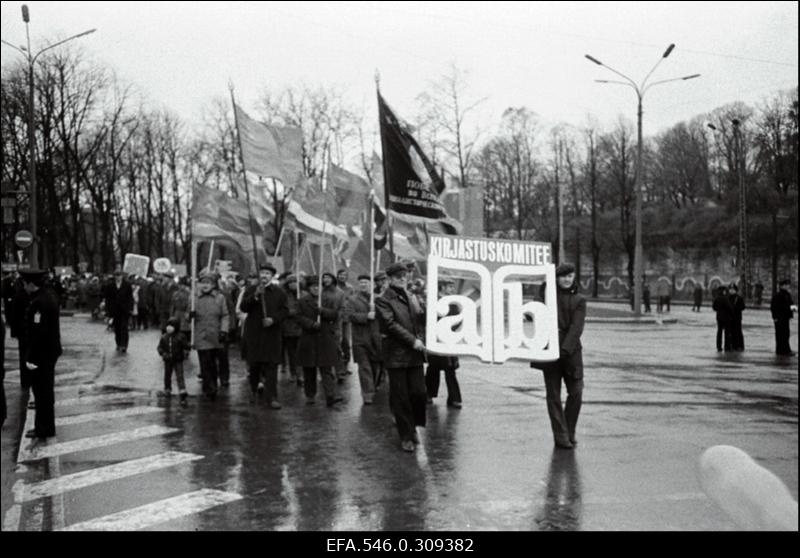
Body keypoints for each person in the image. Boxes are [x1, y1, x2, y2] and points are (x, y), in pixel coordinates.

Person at [530, 263, 586, 450]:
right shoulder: (547, 296)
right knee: (553, 395)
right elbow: (534, 312)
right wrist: (543, 288)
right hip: (549, 351)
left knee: (576, 392)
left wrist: (564, 350)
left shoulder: (579, 300)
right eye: (563, 276)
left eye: (570, 276)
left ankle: (569, 430)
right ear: (556, 278)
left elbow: (576, 328)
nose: (567, 279)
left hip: (571, 353)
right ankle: (561, 436)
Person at [376, 262, 427, 452]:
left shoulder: (412, 296)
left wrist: (428, 309)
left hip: (414, 354)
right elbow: (390, 325)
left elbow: (420, 319)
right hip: (396, 354)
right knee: (401, 396)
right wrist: (412, 341)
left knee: (419, 393)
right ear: (390, 279)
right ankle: (406, 435)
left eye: (404, 275)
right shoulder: (383, 300)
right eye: (398, 276)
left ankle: (413, 425)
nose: (402, 278)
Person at [20, 269, 62, 439]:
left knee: (41, 392)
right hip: (49, 352)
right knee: (46, 392)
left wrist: (31, 357)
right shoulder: (49, 296)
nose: (23, 286)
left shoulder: (39, 302)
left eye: (24, 283)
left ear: (31, 283)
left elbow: (38, 332)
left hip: (42, 354)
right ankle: (47, 427)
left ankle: (42, 428)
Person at [240, 264, 288, 408]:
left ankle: (272, 397)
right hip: (254, 334)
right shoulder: (251, 290)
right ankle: (254, 390)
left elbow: (285, 311)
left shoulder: (279, 292)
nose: (264, 275)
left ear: (272, 276)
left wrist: (273, 319)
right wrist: (255, 296)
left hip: (272, 334)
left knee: (271, 366)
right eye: (262, 273)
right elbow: (243, 307)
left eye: (267, 273)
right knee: (254, 365)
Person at [296, 275, 345, 407]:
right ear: (309, 288)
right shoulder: (302, 301)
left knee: (326, 368)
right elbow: (299, 317)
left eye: (319, 286)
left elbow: (335, 315)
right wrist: (311, 324)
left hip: (325, 337)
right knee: (309, 369)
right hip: (309, 338)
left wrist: (323, 311)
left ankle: (330, 395)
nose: (316, 289)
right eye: (313, 287)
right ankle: (310, 395)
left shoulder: (327, 300)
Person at [191, 272, 230, 400]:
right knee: (204, 361)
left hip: (215, 333)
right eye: (203, 283)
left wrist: (224, 330)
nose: (205, 285)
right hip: (201, 333)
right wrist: (189, 316)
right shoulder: (194, 298)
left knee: (213, 361)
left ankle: (213, 382)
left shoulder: (220, 298)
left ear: (213, 285)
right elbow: (187, 317)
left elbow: (225, 315)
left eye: (208, 283)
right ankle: (209, 387)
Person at [345, 274, 382, 405]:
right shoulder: (352, 300)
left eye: (365, 282)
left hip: (376, 339)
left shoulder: (378, 299)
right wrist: (366, 315)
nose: (363, 285)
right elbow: (350, 315)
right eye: (361, 282)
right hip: (360, 339)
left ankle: (373, 386)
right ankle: (367, 393)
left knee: (375, 366)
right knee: (364, 367)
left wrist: (376, 311)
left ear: (371, 284)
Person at [425, 278, 463, 409]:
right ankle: (428, 394)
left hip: (448, 340)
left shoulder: (452, 303)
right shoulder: (433, 301)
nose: (452, 289)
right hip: (435, 339)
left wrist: (451, 330)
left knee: (450, 369)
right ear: (442, 287)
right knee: (433, 368)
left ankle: (454, 398)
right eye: (450, 287)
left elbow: (458, 319)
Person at [157, 317, 189, 404]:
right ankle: (167, 388)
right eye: (168, 325)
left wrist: (186, 351)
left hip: (178, 359)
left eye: (171, 325)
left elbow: (186, 346)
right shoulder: (164, 337)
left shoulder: (181, 337)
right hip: (168, 359)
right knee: (167, 375)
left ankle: (182, 390)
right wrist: (162, 353)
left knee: (179, 375)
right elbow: (160, 347)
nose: (169, 327)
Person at [281, 274, 303, 386]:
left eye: (295, 282)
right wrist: (294, 312)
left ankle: (300, 373)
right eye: (291, 282)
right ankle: (293, 373)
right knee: (291, 353)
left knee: (301, 352)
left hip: (301, 327)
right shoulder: (284, 295)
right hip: (288, 328)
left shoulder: (302, 294)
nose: (293, 284)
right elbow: (284, 310)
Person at [105, 270, 134, 353]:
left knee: (124, 327)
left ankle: (124, 345)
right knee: (117, 328)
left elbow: (130, 297)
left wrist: (130, 308)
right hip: (114, 310)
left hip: (124, 310)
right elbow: (108, 299)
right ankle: (118, 343)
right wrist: (108, 310)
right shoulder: (110, 286)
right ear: (115, 276)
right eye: (117, 275)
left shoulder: (127, 285)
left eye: (120, 275)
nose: (118, 277)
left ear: (122, 276)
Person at [770, 279, 796, 356]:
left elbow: (791, 304)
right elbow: (773, 307)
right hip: (779, 318)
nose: (788, 286)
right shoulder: (778, 295)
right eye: (786, 285)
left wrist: (793, 312)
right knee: (780, 334)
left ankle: (786, 349)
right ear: (782, 286)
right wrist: (775, 317)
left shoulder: (788, 295)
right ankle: (780, 350)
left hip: (785, 318)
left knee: (786, 334)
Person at [712, 286, 733, 352]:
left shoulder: (717, 298)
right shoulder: (725, 298)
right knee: (726, 332)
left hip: (719, 317)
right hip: (726, 317)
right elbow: (729, 307)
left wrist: (719, 310)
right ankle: (727, 347)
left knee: (719, 332)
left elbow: (714, 307)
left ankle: (719, 346)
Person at [728, 283, 746, 351]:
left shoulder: (739, 298)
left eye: (733, 289)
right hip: (730, 317)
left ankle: (739, 345)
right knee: (731, 332)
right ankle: (732, 345)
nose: (731, 291)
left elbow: (743, 307)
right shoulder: (728, 297)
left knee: (738, 332)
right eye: (730, 289)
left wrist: (736, 308)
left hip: (737, 317)